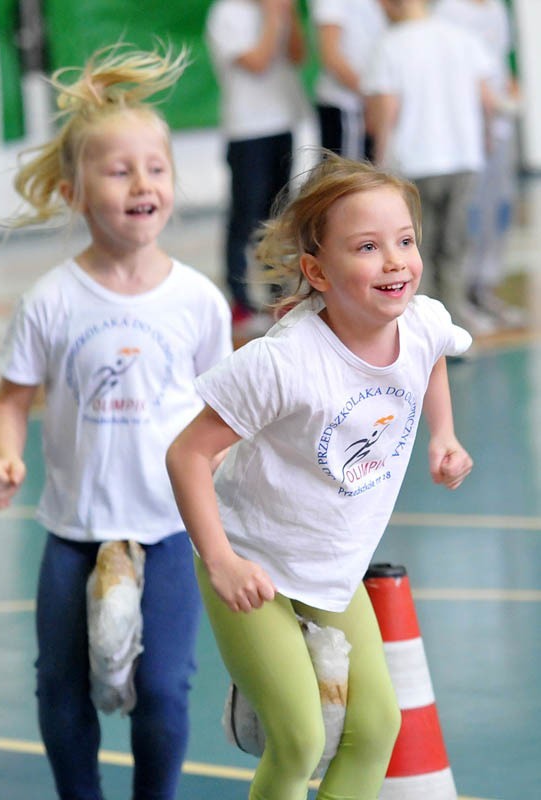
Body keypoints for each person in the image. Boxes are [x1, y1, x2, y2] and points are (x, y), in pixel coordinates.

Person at [166, 153, 473, 800]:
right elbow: (188, 454)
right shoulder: (285, 362)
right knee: (301, 738)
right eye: (366, 246)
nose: (394, 260)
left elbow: (431, 357)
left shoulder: (419, 322)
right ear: (317, 272)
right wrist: (219, 559)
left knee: (375, 727)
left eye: (405, 240)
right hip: (253, 560)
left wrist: (441, 435)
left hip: (332, 565)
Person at [0, 44, 232, 800]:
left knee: (162, 688)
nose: (141, 183)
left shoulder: (197, 302)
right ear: (73, 191)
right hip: (75, 529)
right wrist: (3, 458)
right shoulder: (52, 300)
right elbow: (9, 399)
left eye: (155, 168)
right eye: (118, 170)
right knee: (60, 687)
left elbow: (222, 413)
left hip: (166, 526)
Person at [362, 0, 497, 335]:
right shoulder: (462, 38)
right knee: (454, 247)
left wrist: (378, 164)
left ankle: (421, 335)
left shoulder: (389, 45)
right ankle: (456, 329)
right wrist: (484, 140)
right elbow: (488, 101)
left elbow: (386, 111)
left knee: (412, 252)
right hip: (463, 159)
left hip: (414, 163)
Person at [205, 0, 308, 337]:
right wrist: (275, 15)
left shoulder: (276, 10)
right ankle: (240, 302)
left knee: (278, 216)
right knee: (246, 217)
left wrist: (289, 15)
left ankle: (278, 295)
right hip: (247, 130)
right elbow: (259, 62)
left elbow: (297, 55)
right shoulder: (226, 13)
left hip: (282, 124)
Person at [435, 0, 525, 329]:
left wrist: (512, 86)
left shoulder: (498, 9)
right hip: (467, 132)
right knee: (466, 213)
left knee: (498, 207)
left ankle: (486, 287)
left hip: (500, 123)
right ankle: (462, 294)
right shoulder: (447, 11)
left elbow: (502, 59)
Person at [309, 0, 387, 161]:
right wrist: (370, 97)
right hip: (345, 105)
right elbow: (330, 55)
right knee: (348, 178)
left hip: (366, 105)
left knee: (368, 175)